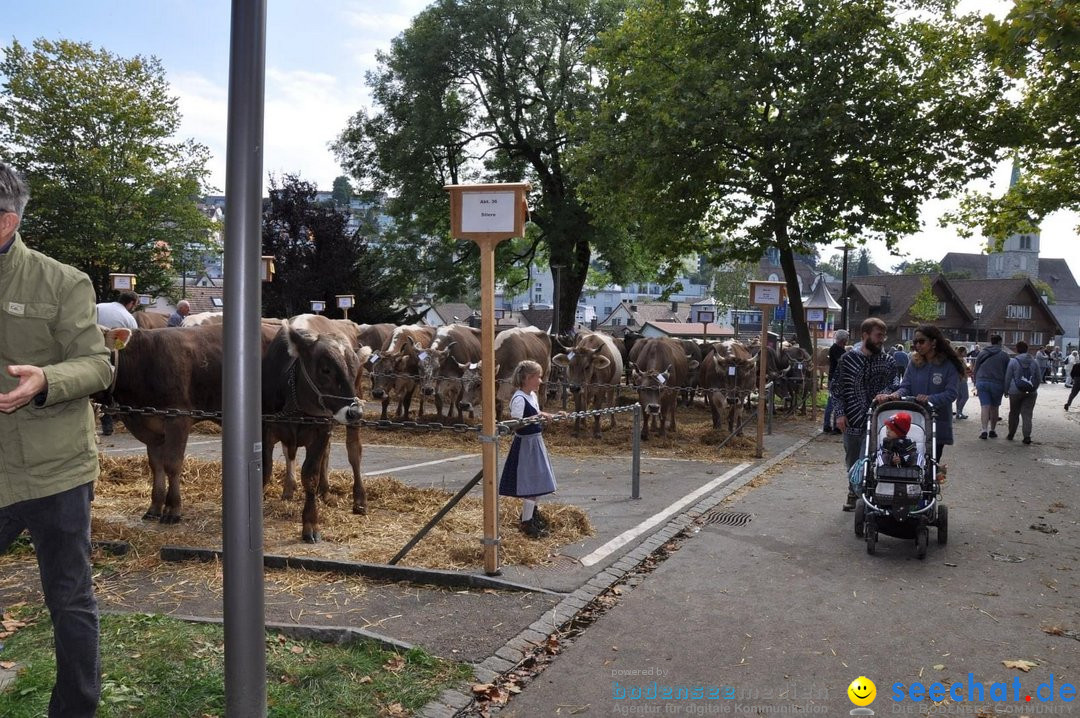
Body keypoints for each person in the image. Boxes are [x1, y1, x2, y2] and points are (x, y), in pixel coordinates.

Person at [0, 162, 112, 718]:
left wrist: (47, 380)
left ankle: (75, 710)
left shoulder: (62, 281)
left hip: (55, 470)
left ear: (5, 223)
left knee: (69, 599)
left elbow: (99, 365)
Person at [831, 317, 899, 510]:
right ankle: (853, 493)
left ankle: (867, 499)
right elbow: (836, 388)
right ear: (865, 335)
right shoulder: (847, 359)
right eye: (878, 335)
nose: (882, 339)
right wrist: (839, 413)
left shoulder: (888, 362)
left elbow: (895, 384)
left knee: (870, 461)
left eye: (884, 335)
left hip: (878, 421)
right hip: (852, 421)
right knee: (853, 461)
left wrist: (886, 393)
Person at [498, 360, 563, 538]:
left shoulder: (532, 396)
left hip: (536, 441)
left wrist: (553, 416)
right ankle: (526, 523)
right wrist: (539, 416)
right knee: (530, 483)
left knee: (538, 480)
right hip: (526, 444)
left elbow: (536, 417)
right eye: (538, 377)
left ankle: (532, 514)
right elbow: (517, 425)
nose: (540, 381)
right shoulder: (519, 398)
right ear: (527, 378)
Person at [883, 325, 961, 464]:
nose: (917, 345)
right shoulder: (914, 363)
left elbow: (951, 393)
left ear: (933, 342)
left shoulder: (948, 365)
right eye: (915, 342)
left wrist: (930, 399)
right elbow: (905, 386)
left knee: (931, 463)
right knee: (910, 460)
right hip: (915, 420)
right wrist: (897, 394)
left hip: (937, 420)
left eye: (921, 341)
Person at [94, 290, 138, 436]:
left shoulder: (99, 307)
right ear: (131, 303)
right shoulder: (128, 318)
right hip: (114, 356)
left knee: (98, 390)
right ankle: (116, 419)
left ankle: (106, 421)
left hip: (90, 352)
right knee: (112, 388)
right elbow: (132, 342)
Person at [972, 334, 1011, 440]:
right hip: (997, 383)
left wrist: (975, 382)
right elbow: (1008, 372)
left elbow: (976, 368)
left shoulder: (982, 353)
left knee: (984, 407)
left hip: (982, 382)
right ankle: (992, 430)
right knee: (994, 408)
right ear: (1000, 342)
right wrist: (1006, 388)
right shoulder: (1004, 355)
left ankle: (984, 430)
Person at [1004, 340, 1040, 444]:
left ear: (1017, 349)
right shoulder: (1035, 361)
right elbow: (1038, 377)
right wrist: (1034, 388)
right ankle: (1027, 436)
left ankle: (1011, 434)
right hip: (1031, 391)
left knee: (1014, 413)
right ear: (1027, 349)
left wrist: (1006, 390)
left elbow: (1008, 377)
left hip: (1015, 390)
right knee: (1027, 414)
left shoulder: (1013, 361)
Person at [822, 329, 849, 434]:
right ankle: (829, 426)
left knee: (835, 401)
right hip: (835, 379)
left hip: (837, 379)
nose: (847, 340)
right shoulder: (836, 349)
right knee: (832, 402)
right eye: (846, 338)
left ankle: (833, 426)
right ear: (843, 339)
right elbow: (842, 362)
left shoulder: (839, 349)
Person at [954, 345, 971, 419]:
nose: (966, 353)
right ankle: (959, 411)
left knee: (959, 397)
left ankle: (958, 412)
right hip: (961, 379)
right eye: (965, 352)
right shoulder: (960, 360)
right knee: (965, 396)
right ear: (961, 352)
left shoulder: (958, 359)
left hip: (959, 379)